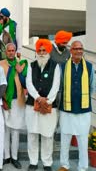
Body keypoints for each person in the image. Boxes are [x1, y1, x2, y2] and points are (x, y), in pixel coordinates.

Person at [58, 41, 94, 171]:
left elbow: (92, 87)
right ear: (71, 51)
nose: (79, 51)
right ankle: (64, 165)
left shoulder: (89, 67)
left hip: (83, 110)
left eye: (81, 48)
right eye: (76, 49)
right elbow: (60, 87)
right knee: (65, 137)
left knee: (83, 139)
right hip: (66, 109)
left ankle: (83, 167)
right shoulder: (62, 67)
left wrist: (81, 97)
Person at [25, 39, 60, 171]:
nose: (41, 52)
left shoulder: (55, 66)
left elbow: (56, 85)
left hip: (49, 106)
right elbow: (29, 83)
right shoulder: (31, 65)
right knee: (32, 134)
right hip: (32, 105)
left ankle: (47, 163)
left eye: (44, 50)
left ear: (48, 51)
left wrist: (48, 101)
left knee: (47, 135)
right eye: (39, 50)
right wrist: (39, 98)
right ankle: (33, 162)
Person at [0, 43, 27, 169]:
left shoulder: (21, 64)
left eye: (13, 50)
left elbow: (25, 83)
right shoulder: (0, 64)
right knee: (6, 130)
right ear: (5, 51)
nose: (10, 52)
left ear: (15, 51)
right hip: (5, 101)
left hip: (18, 101)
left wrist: (20, 72)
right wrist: (3, 100)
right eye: (8, 50)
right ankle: (6, 156)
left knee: (15, 130)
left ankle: (15, 157)